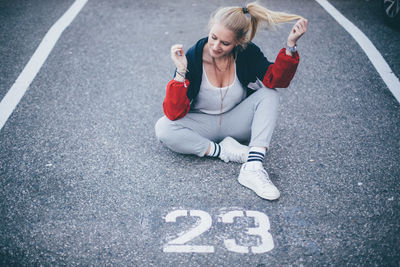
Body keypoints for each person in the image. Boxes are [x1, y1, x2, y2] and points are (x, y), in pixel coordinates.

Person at [155, 2, 308, 200]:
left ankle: (253, 167)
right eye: (213, 37)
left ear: (238, 42)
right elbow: (173, 113)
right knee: (163, 128)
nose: (216, 47)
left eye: (225, 43)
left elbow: (275, 79)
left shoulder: (247, 53)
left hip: (236, 121)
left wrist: (290, 46)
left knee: (270, 94)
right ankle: (224, 151)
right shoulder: (193, 58)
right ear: (210, 30)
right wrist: (181, 72)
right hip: (203, 123)